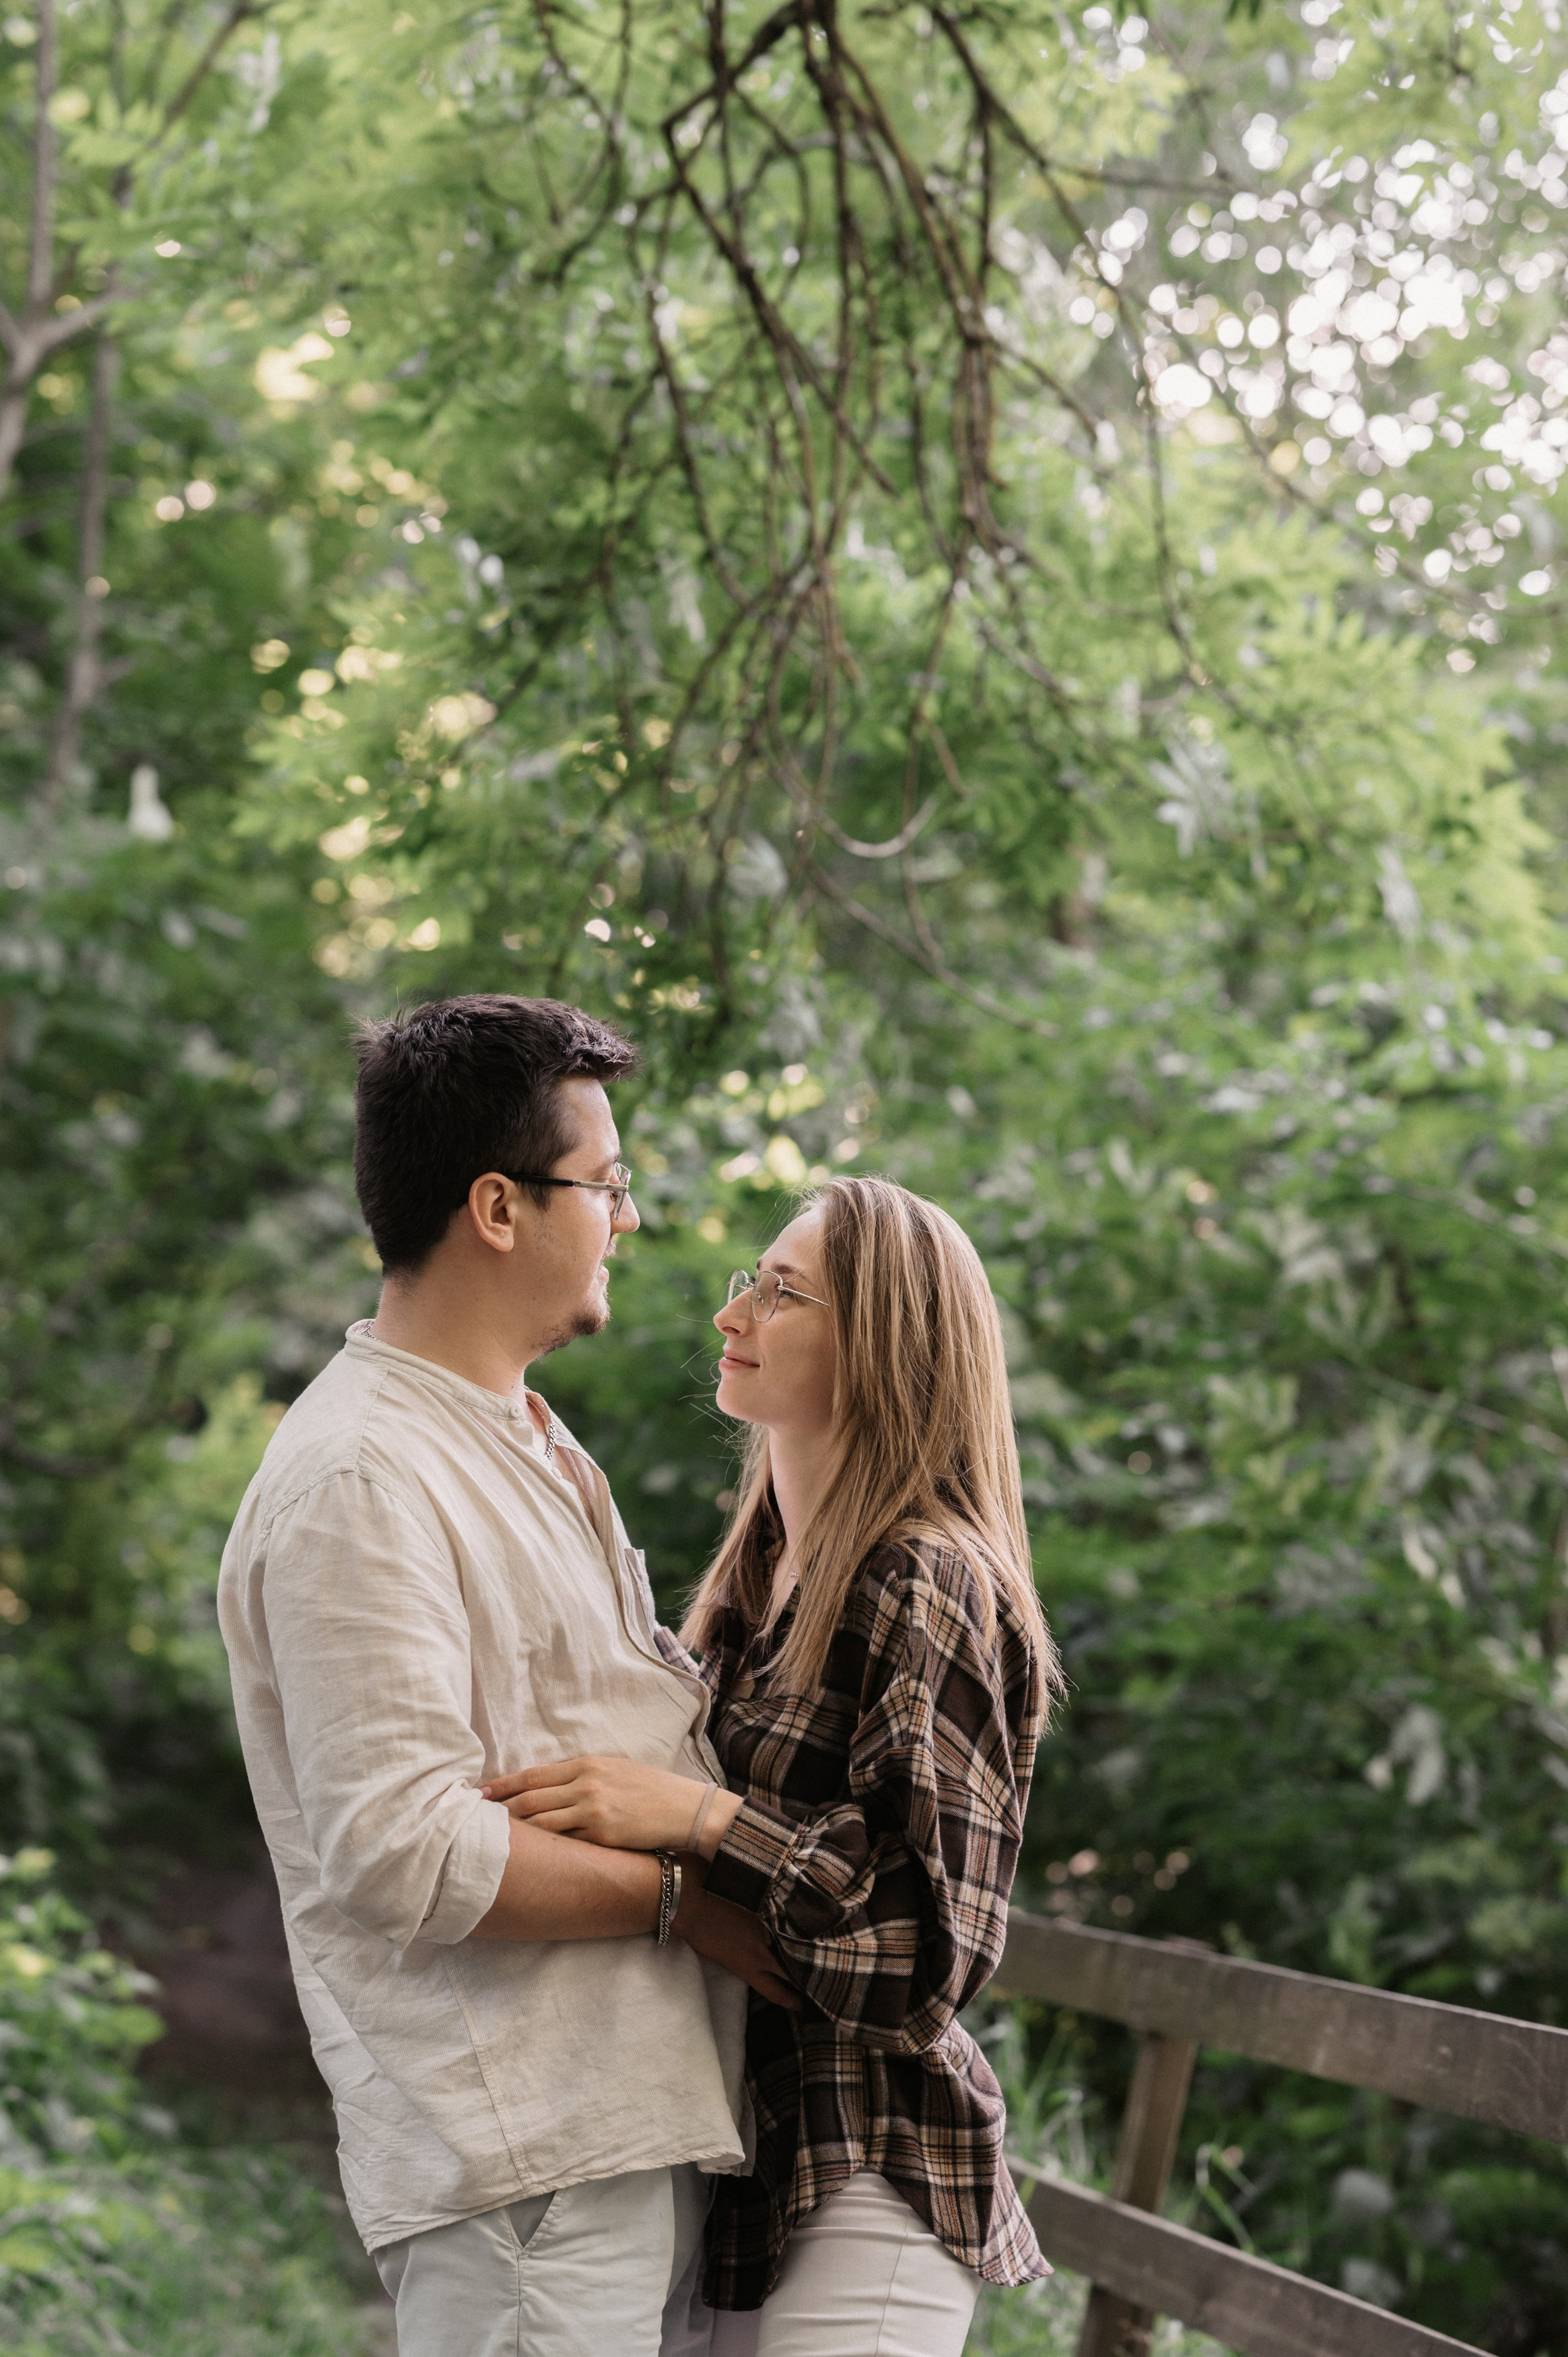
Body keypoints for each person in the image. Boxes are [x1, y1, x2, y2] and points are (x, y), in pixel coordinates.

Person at [217, 994, 796, 2357]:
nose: (628, 1217)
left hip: (602, 2141)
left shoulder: (526, 1439)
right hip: (523, 2175)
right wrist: (686, 1903)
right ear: (496, 1206)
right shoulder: (363, 1472)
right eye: (605, 1185)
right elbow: (404, 1849)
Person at [483, 1174, 1063, 2356]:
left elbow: (924, 1956)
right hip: (744, 2173)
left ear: (886, 1345)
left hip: (867, 2174)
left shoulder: (928, 1579)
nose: (731, 1315)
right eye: (749, 1280)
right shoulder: (751, 1589)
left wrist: (701, 1820)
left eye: (783, 1293)